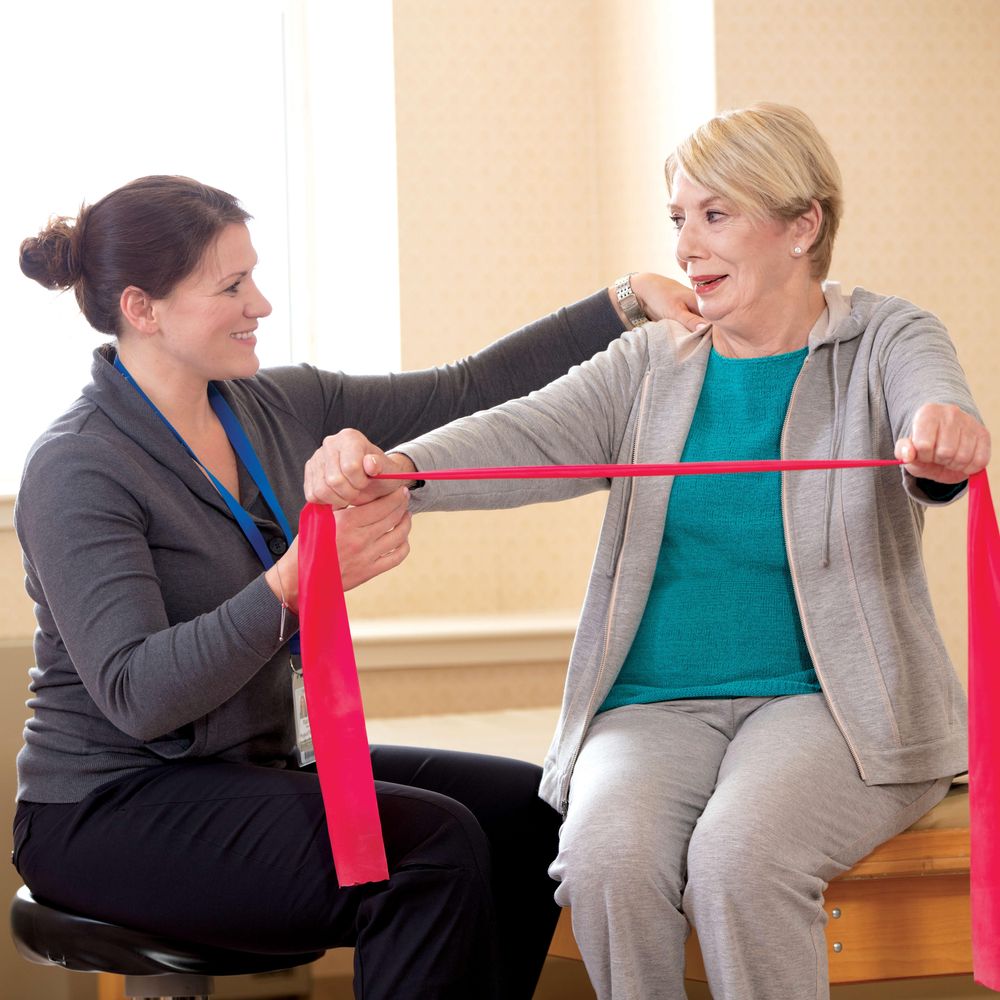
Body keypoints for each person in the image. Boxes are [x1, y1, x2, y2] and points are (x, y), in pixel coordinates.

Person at [306, 104, 992, 1000]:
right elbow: (530, 432)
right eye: (678, 219)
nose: (687, 247)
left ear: (802, 224)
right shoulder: (652, 361)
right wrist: (400, 468)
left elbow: (931, 411)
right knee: (602, 864)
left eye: (715, 216)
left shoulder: (888, 337)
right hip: (651, 705)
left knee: (736, 863)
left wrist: (943, 436)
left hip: (828, 707)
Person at [12, 174, 702, 1000]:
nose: (259, 303)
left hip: (254, 766)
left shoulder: (275, 405)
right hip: (110, 808)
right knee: (430, 846)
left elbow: (466, 389)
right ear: (142, 308)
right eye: (231, 286)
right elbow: (140, 696)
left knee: (528, 814)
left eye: (255, 276)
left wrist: (625, 301)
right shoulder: (79, 465)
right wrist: (294, 587)